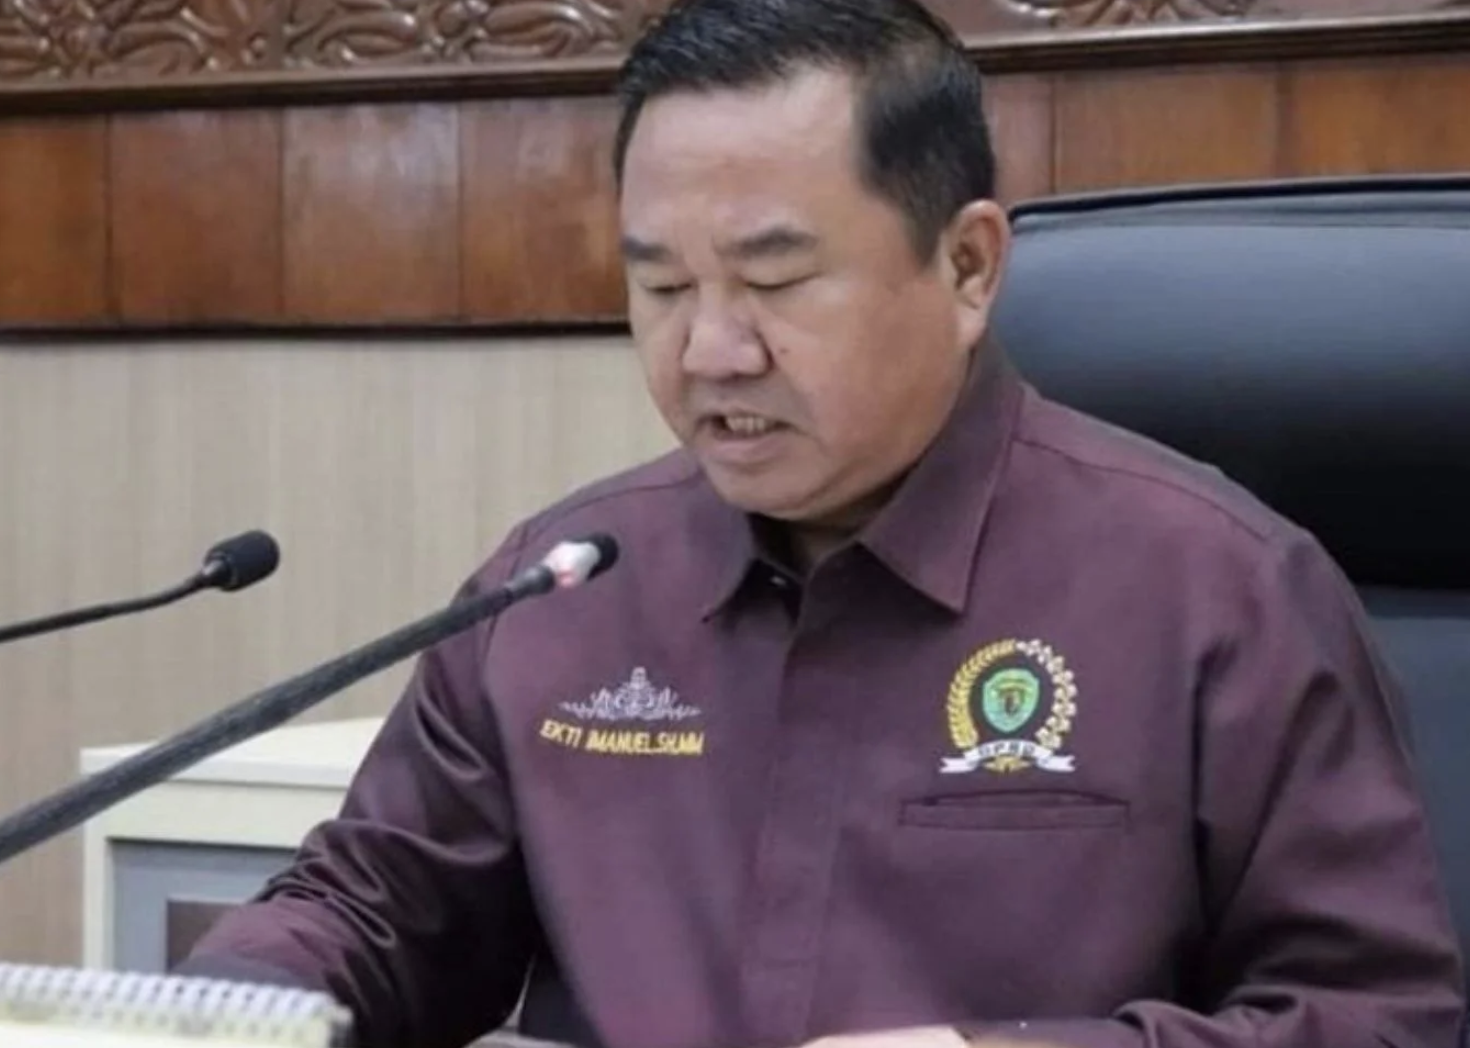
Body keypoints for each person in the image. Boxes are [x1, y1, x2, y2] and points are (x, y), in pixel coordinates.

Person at [175, 1, 1466, 1047]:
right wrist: (208, 1017)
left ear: (967, 267)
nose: (710, 351)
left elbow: (1381, 1020)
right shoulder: (561, 586)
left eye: (776, 280)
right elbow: (376, 912)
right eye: (661, 287)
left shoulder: (1216, 592)